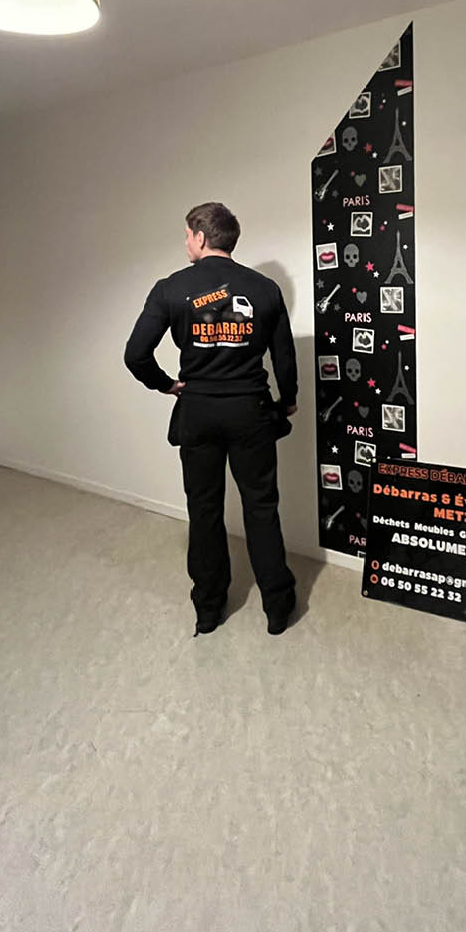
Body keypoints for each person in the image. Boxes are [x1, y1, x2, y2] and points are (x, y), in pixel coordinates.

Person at [124, 202, 298, 636]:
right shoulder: (265, 289)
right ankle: (277, 608)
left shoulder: (170, 288)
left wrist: (166, 384)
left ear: (201, 237)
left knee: (203, 510)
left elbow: (135, 355)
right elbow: (283, 355)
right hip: (251, 411)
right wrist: (289, 398)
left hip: (198, 412)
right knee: (261, 507)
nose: (186, 243)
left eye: (187, 235)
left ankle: (208, 608)